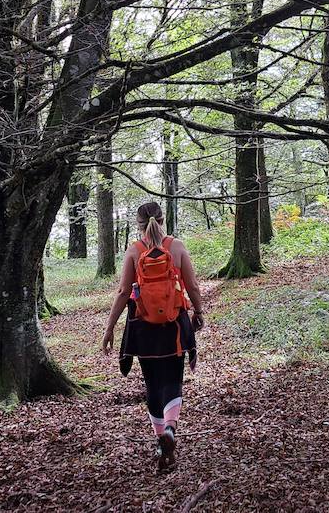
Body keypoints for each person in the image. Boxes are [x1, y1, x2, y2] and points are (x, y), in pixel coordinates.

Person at [102, 200, 205, 471]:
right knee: (172, 380)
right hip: (174, 325)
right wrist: (198, 312)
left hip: (142, 327)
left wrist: (109, 328)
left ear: (138, 225)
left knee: (152, 384)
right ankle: (170, 429)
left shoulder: (134, 251)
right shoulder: (177, 247)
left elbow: (123, 292)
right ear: (163, 220)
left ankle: (161, 440)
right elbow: (192, 286)